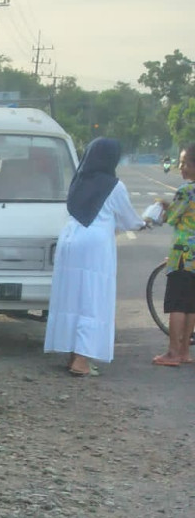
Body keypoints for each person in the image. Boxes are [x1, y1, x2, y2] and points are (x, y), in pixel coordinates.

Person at [43, 137, 144, 376]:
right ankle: (81, 361)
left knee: (70, 297)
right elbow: (129, 219)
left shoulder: (78, 180)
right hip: (95, 245)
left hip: (69, 240)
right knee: (92, 299)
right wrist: (145, 222)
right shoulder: (114, 185)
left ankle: (70, 354)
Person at [152, 143, 195, 366]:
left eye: (184, 163)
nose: (181, 167)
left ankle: (172, 353)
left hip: (182, 254)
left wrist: (163, 207)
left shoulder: (186, 189)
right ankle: (185, 352)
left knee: (177, 304)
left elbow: (172, 218)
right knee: (191, 306)